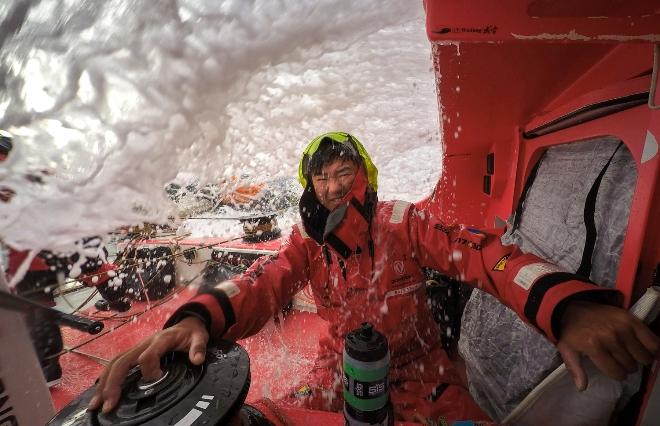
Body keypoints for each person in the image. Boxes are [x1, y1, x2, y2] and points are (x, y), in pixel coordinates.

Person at [89, 132, 659, 423]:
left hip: (423, 375)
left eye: (346, 172)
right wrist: (193, 319)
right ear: (310, 188)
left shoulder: (403, 223)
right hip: (331, 375)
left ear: (366, 176)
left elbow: (486, 256)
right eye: (324, 179)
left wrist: (564, 306)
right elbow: (262, 283)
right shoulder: (306, 244)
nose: (335, 187)